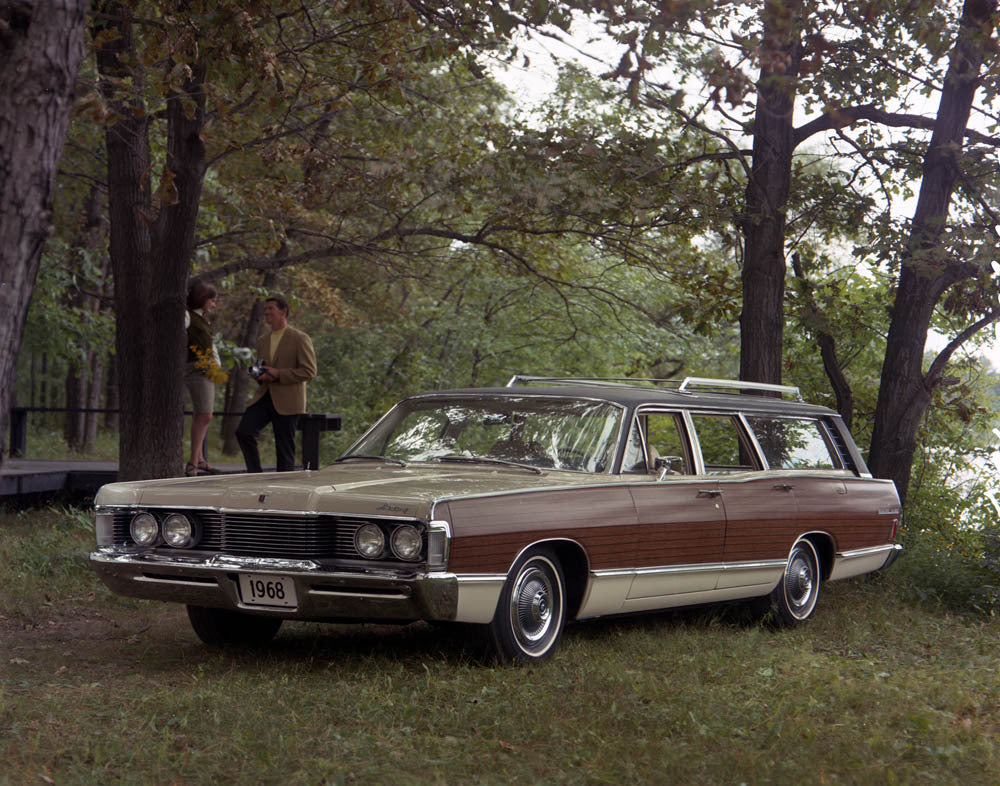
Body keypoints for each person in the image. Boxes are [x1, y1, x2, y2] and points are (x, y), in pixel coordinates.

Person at [236, 295, 318, 472]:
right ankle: (254, 475)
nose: (266, 312)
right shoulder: (262, 340)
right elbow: (263, 366)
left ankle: (285, 490)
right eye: (265, 309)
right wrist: (258, 374)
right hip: (265, 396)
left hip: (289, 401)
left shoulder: (300, 338)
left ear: (283, 311)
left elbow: (309, 371)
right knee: (244, 432)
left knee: (284, 450)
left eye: (270, 309)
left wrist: (278, 374)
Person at [184, 279, 224, 476]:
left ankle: (199, 458)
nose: (214, 305)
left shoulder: (203, 320)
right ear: (203, 298)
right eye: (212, 300)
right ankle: (192, 462)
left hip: (207, 369)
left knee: (203, 415)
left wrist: (216, 366)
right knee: (205, 414)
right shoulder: (187, 316)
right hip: (195, 368)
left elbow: (211, 345)